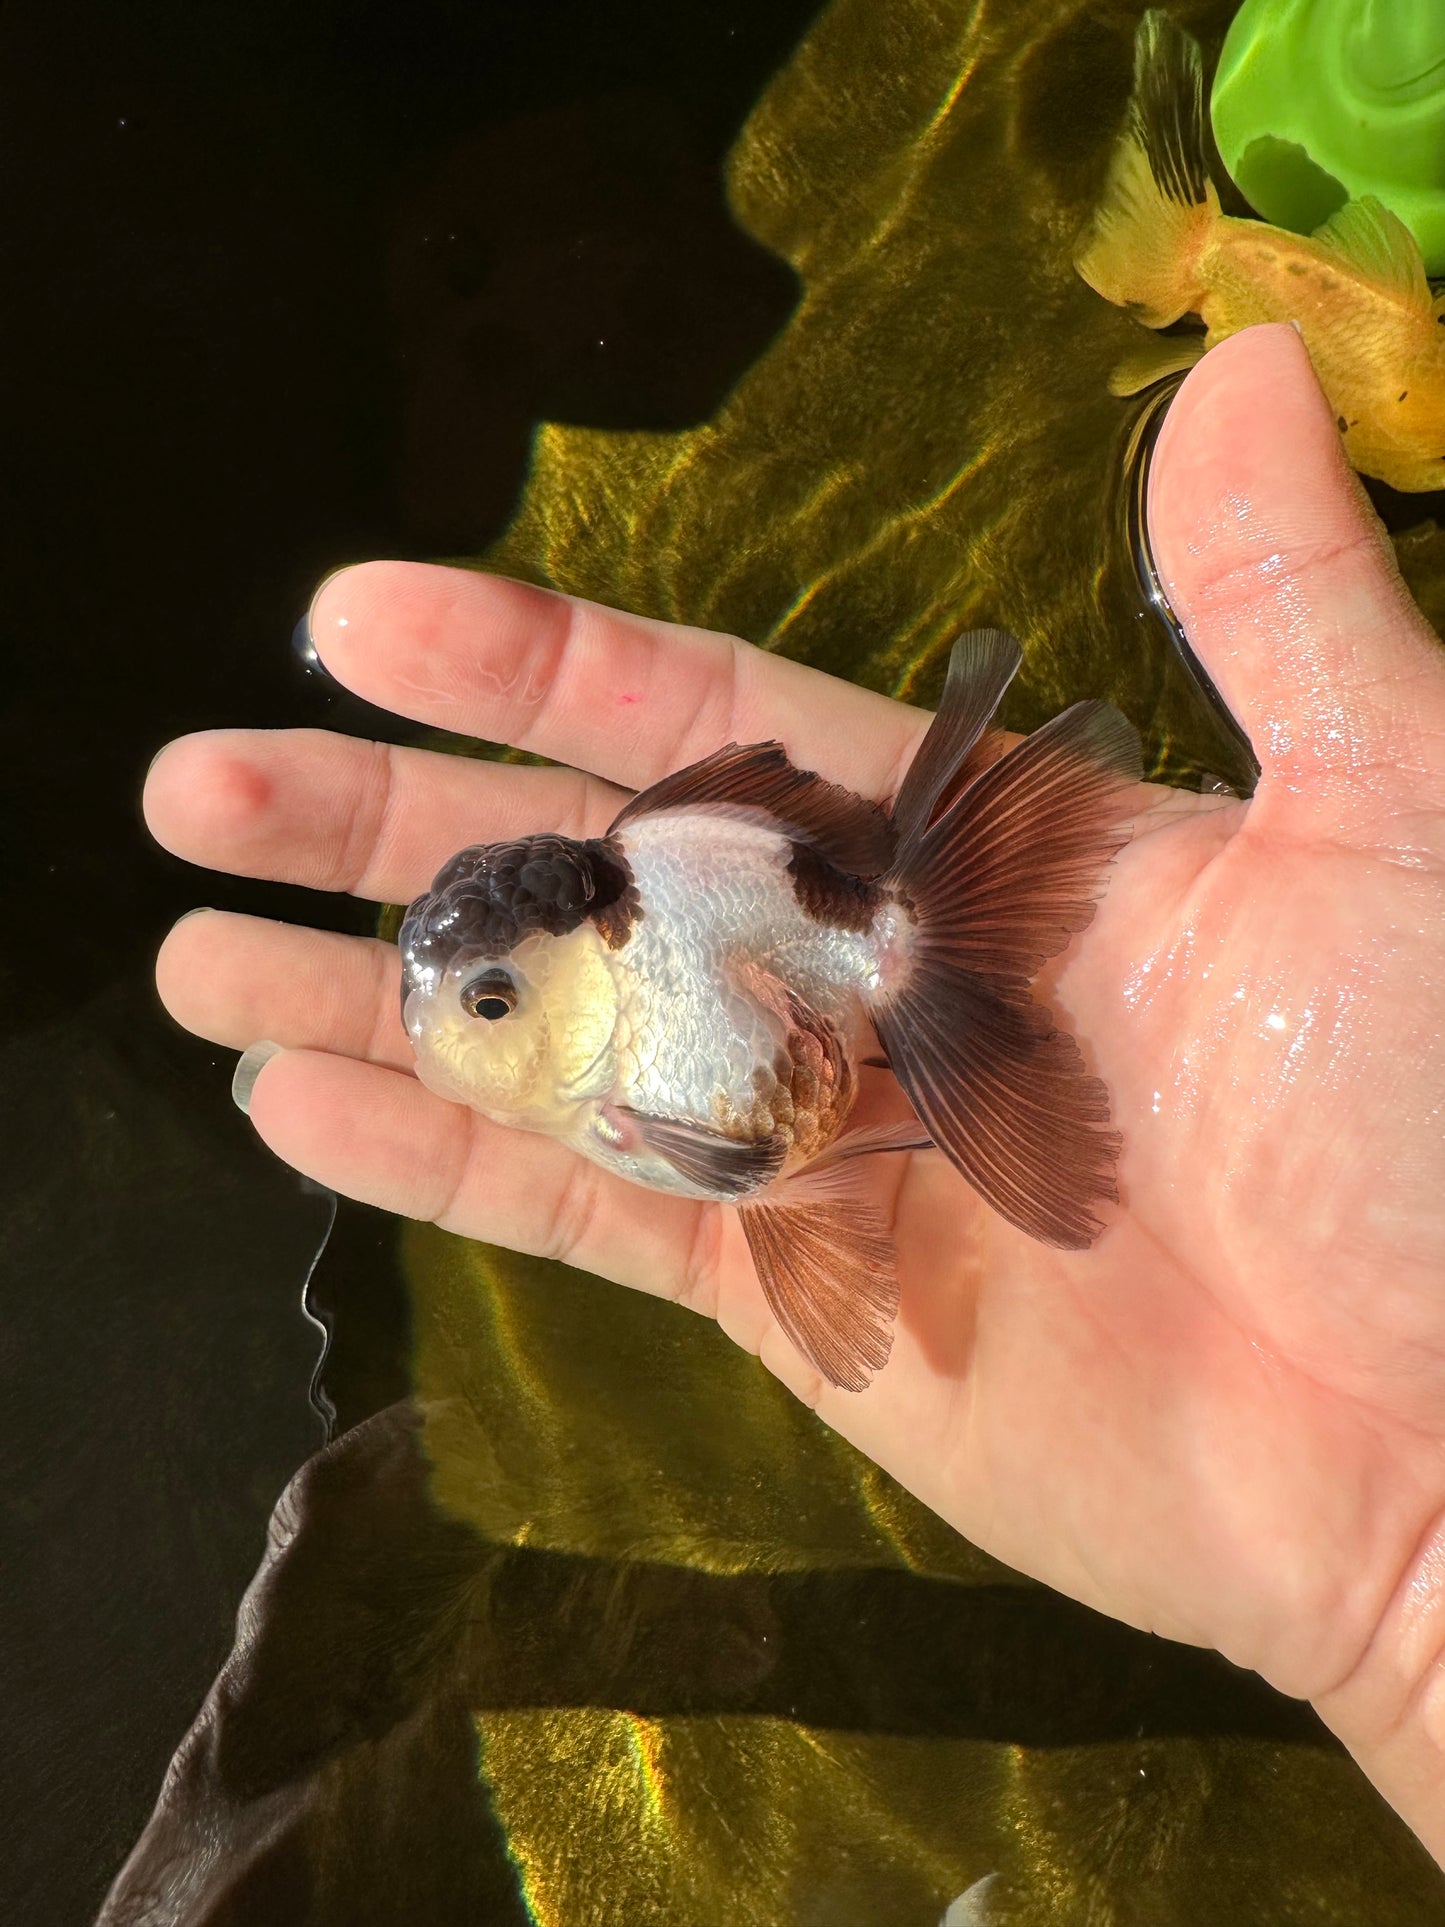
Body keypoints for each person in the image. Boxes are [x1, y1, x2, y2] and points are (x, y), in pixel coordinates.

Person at [144, 324, 1445, 1863]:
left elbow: (754, 1152)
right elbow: (767, 1182)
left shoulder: (667, 991)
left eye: (487, 1003)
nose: (451, 1036)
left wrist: (1401, 1597)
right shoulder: (628, 1064)